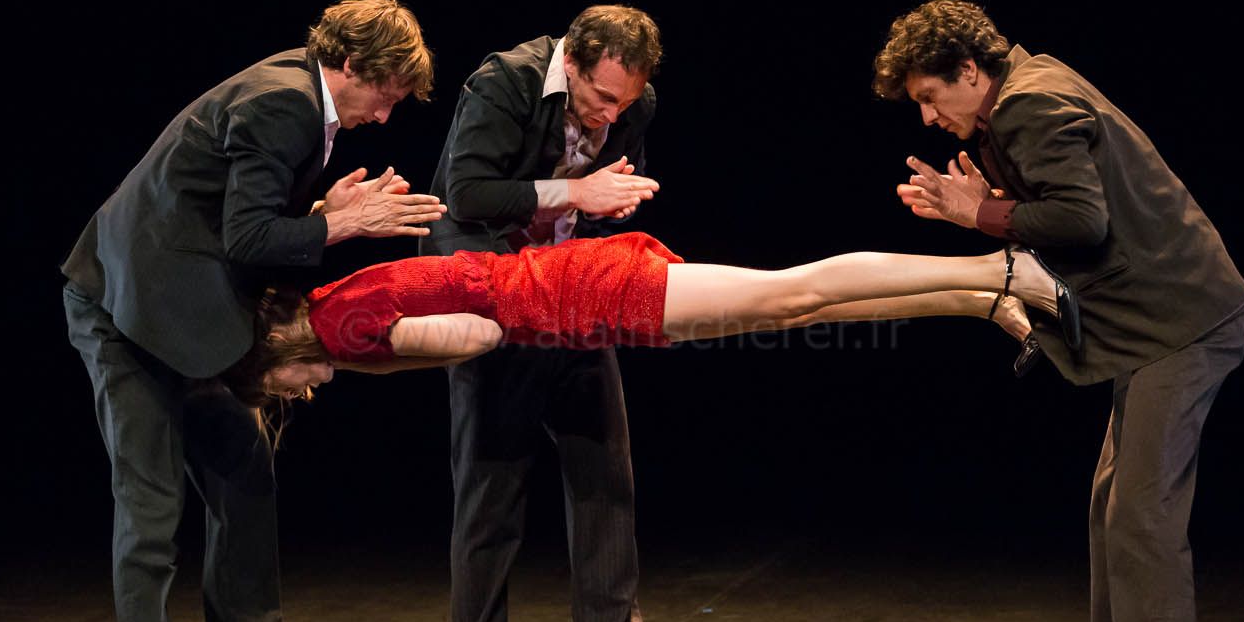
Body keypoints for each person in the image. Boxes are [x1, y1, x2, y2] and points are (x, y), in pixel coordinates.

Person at [873, 0, 1244, 622]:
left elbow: (1083, 221)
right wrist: (982, 208)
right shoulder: (1019, 94)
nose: (927, 117)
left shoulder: (1030, 104)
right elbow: (1056, 208)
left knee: (1143, 512)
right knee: (1113, 501)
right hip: (1156, 324)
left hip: (1182, 321)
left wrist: (981, 214)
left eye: (929, 96)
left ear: (969, 71)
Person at [62, 0, 446, 622]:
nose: (384, 116)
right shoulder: (285, 103)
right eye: (384, 94)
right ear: (349, 64)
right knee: (149, 510)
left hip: (178, 302)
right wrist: (341, 223)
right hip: (125, 311)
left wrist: (321, 207)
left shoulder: (301, 95)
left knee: (243, 458)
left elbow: (241, 208)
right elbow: (246, 239)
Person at [421, 5, 670, 622]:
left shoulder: (634, 100)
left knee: (605, 475)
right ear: (573, 63)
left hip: (570, 288)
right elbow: (466, 193)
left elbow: (609, 185)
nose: (610, 115)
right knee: (490, 484)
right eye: (600, 98)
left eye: (624, 103)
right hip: (492, 288)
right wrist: (577, 192)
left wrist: (610, 206)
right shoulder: (503, 82)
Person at [223, 231, 1061, 399]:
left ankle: (999, 266)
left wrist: (387, 361)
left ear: (275, 353)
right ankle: (980, 299)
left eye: (279, 389)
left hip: (593, 291)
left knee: (797, 290)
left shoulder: (344, 330)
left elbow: (480, 333)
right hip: (590, 297)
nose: (301, 394)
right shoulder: (339, 302)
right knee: (792, 312)